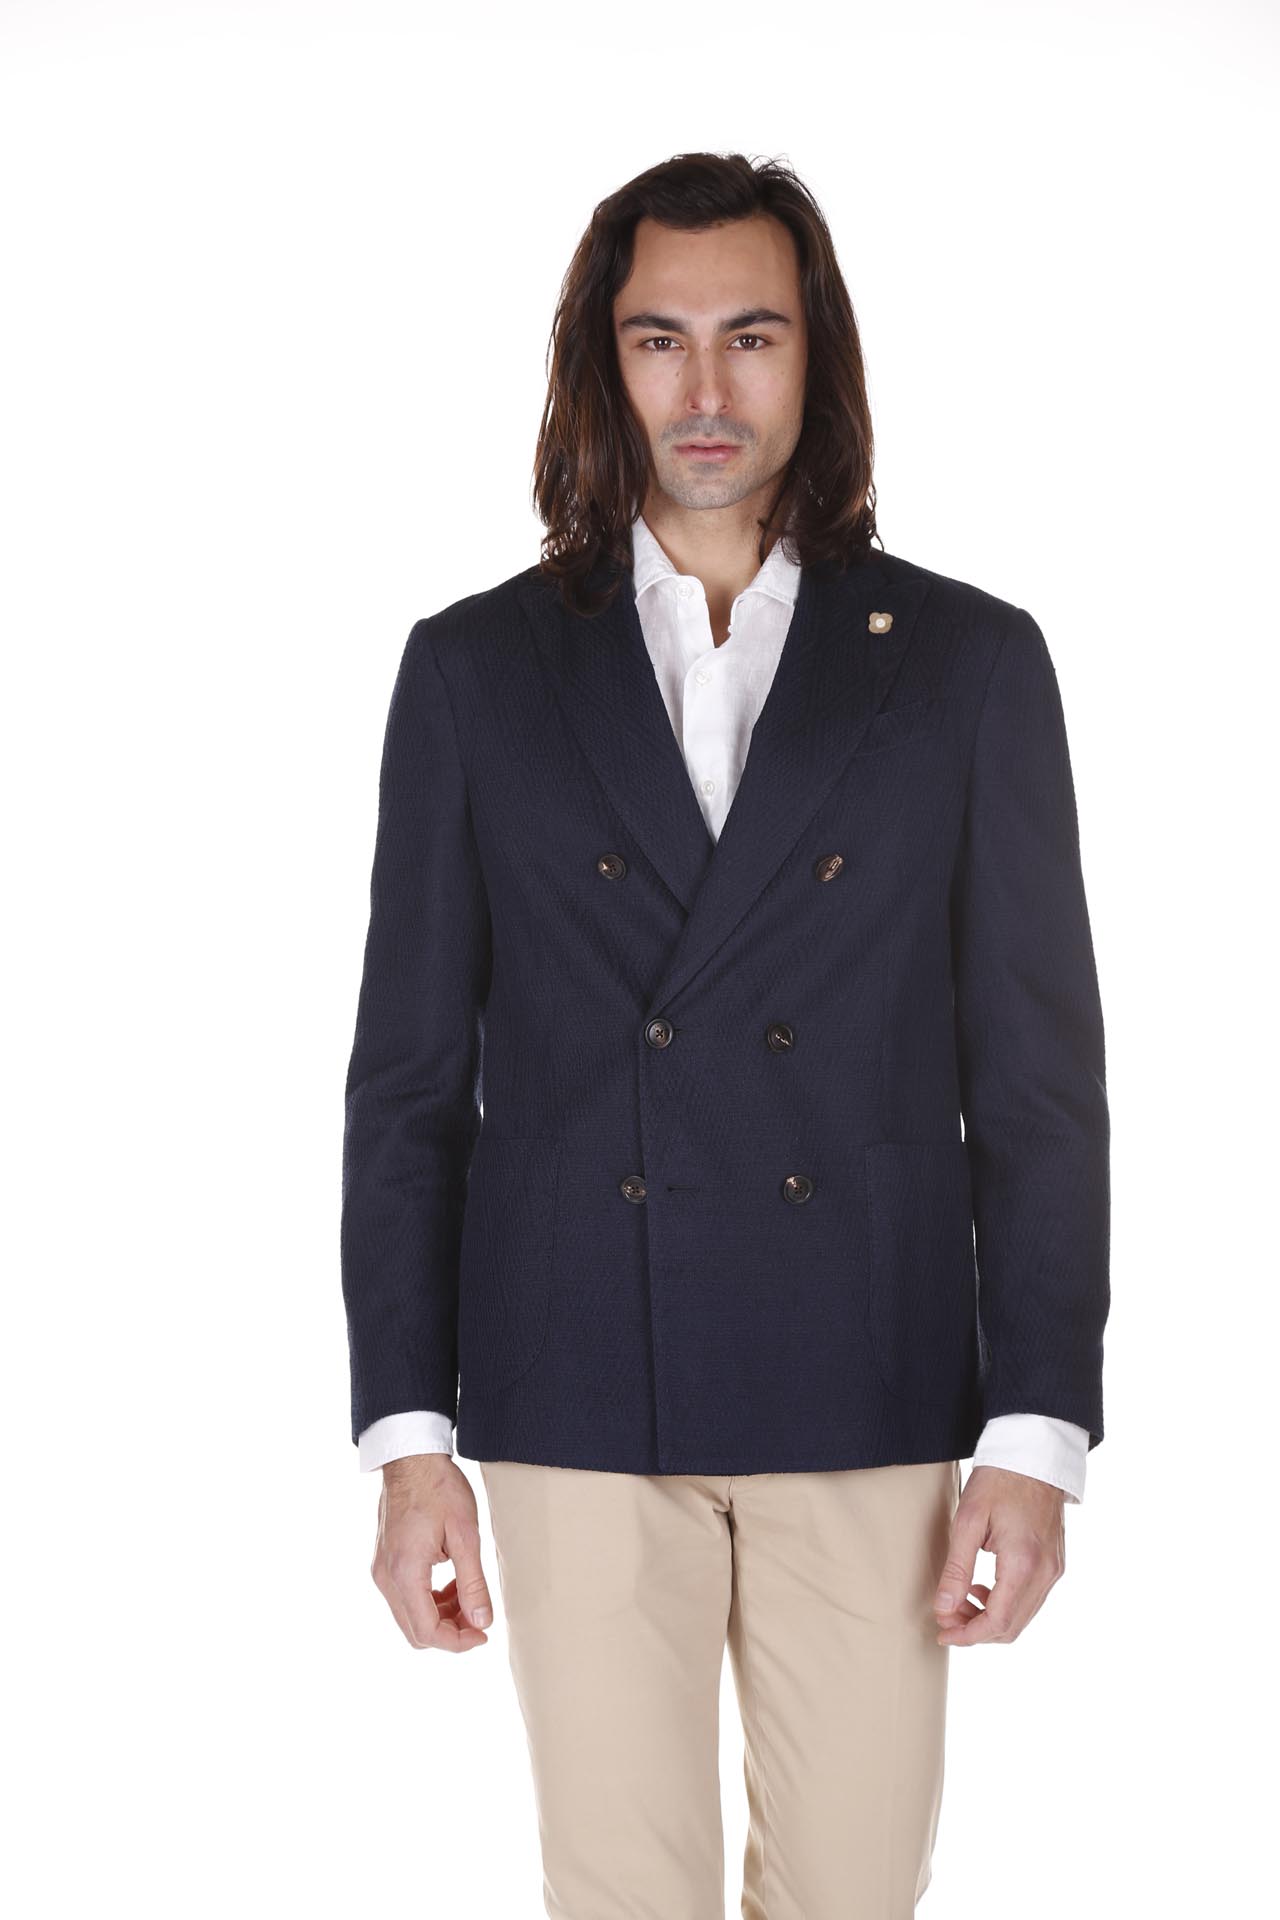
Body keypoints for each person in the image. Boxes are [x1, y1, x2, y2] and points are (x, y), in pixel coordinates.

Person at [340, 150, 1110, 1917]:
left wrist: (1036, 1434)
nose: (705, 388)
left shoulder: (969, 663)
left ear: (814, 355)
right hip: (573, 1376)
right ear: (600, 363)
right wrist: (405, 1445)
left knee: (854, 1889)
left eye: (750, 337)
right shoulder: (474, 670)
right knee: (624, 1894)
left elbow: (1041, 1086)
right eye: (658, 339)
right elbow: (407, 1086)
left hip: (871, 1369)